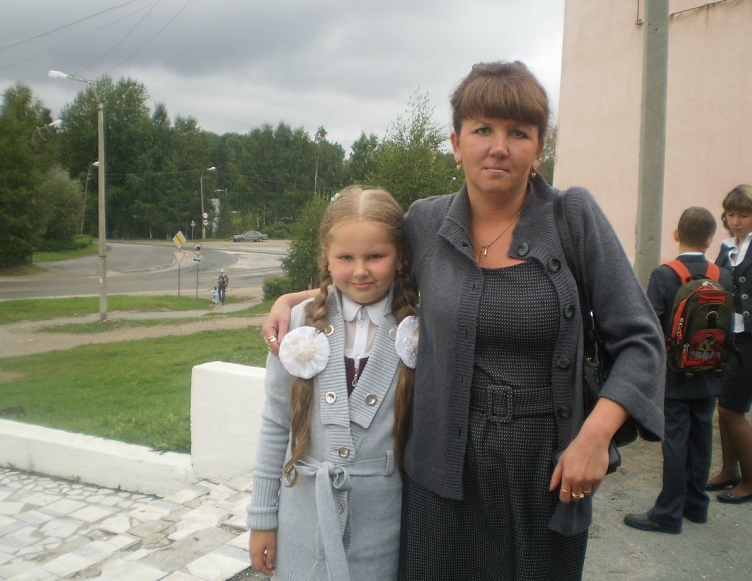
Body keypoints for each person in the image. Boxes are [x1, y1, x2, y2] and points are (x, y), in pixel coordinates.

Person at [263, 61, 664, 580]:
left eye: (518, 133)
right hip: (439, 472)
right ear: (456, 143)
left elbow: (640, 340)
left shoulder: (573, 217)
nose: (499, 147)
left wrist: (594, 438)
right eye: (482, 130)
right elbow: (368, 272)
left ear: (539, 148)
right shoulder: (426, 222)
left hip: (543, 471)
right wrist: (293, 302)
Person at [247, 186, 419, 580]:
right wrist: (262, 518)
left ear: (400, 257)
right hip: (301, 524)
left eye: (375, 256)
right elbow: (276, 423)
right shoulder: (298, 324)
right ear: (326, 256)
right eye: (345, 257)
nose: (360, 270)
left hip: (382, 530)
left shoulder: (417, 331)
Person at [624, 207, 732, 534]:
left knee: (675, 440)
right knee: (702, 437)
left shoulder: (665, 275)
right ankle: (697, 505)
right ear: (710, 239)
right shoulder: (722, 275)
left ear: (676, 234)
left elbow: (651, 325)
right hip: (710, 368)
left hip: (676, 373)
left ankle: (668, 512)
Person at [706, 184, 752, 504]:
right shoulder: (727, 248)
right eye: (731, 214)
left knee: (732, 408)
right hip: (729, 336)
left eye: (743, 215)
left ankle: (751, 481)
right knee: (724, 406)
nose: (736, 221)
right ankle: (728, 471)